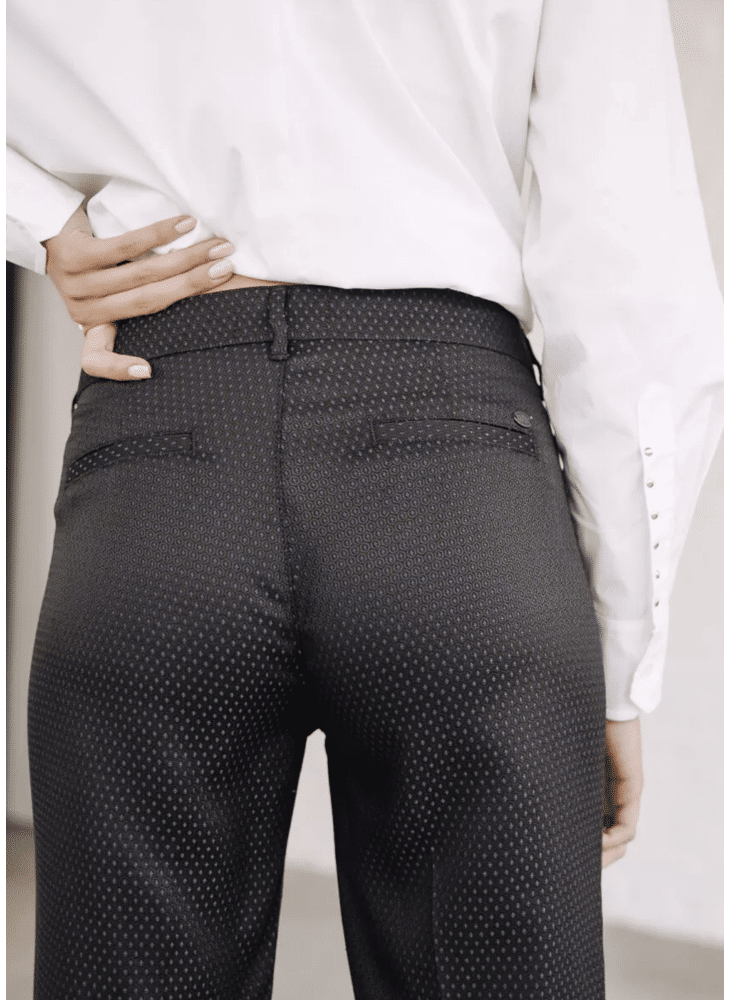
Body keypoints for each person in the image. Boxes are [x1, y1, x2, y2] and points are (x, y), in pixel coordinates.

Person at [6, 1, 722, 998]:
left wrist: (38, 218)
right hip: (455, 493)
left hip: (163, 458)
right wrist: (619, 661)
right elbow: (630, 278)